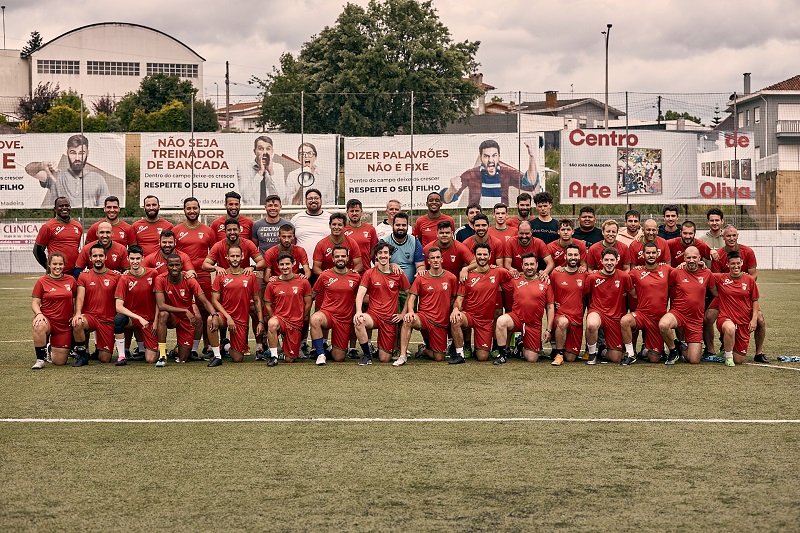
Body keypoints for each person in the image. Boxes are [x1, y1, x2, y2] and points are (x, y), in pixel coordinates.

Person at [706, 224, 766, 362]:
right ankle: (710, 349)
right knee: (708, 317)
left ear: (737, 236)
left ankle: (759, 353)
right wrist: (729, 287)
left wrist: (742, 282)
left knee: (760, 319)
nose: (731, 238)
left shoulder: (748, 251)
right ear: (723, 237)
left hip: (743, 293)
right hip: (725, 293)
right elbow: (716, 277)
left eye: (734, 235)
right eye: (728, 236)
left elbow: (754, 275)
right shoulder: (719, 255)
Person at [394, 247, 457, 366]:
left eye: (438, 257)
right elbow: (412, 297)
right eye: (432, 258)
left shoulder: (451, 278)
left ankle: (423, 350)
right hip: (424, 318)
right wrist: (411, 311)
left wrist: (454, 310)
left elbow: (454, 298)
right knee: (408, 320)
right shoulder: (421, 278)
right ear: (428, 260)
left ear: (442, 259)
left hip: (440, 322)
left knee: (439, 357)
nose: (435, 260)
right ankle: (402, 356)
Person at [450, 243, 513, 363]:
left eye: (485, 254)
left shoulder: (498, 272)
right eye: (479, 254)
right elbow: (459, 299)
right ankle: (459, 354)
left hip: (485, 321)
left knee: (482, 357)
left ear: (490, 256)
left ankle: (479, 348)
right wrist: (456, 309)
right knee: (455, 319)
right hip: (469, 315)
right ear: (474, 256)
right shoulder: (467, 275)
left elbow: (514, 278)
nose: (482, 257)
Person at [154, 255, 219, 367]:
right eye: (171, 265)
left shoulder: (190, 280)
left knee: (183, 358)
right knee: (163, 314)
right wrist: (184, 310)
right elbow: (161, 305)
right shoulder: (160, 279)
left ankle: (175, 351)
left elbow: (204, 301)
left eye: (177, 265)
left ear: (182, 266)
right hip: (172, 317)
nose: (174, 268)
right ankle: (162, 356)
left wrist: (214, 315)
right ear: (166, 266)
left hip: (186, 320)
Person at [353, 241, 410, 365]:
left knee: (384, 359)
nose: (383, 255)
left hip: (389, 319)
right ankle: (367, 356)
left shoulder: (398, 274)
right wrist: (358, 311)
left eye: (385, 253)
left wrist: (403, 314)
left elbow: (410, 294)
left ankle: (380, 349)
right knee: (359, 321)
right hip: (373, 315)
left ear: (390, 256)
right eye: (380, 253)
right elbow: (360, 294)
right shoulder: (369, 273)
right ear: (376, 256)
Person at [659, 246, 718, 365]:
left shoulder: (707, 273)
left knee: (694, 360)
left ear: (699, 258)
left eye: (694, 257)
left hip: (696, 319)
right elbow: (669, 290)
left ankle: (680, 345)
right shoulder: (676, 272)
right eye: (689, 257)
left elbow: (715, 293)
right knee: (663, 325)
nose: (691, 260)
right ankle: (673, 350)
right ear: (684, 258)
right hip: (678, 313)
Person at [442, 138, 540, 207]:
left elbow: (530, 184)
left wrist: (532, 157)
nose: (491, 160)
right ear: (481, 158)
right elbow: (447, 200)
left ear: (499, 157)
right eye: (486, 156)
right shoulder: (470, 174)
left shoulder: (506, 173)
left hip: (500, 220)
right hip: (477, 222)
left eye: (494, 155)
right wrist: (451, 190)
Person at [493, 253, 555, 364]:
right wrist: (494, 268)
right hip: (516, 318)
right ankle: (502, 354)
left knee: (532, 359)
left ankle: (519, 345)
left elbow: (550, 307)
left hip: (533, 324)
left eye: (532, 264)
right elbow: (498, 283)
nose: (529, 267)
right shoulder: (515, 279)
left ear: (537, 265)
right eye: (526, 264)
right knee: (501, 321)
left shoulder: (545, 282)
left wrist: (549, 329)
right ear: (522, 266)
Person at [209, 246, 263, 366]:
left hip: (241, 319)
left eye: (237, 256)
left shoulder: (250, 275)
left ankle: (226, 346)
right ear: (227, 257)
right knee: (211, 319)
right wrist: (228, 317)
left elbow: (257, 299)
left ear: (242, 257)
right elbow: (215, 300)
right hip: (225, 315)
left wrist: (260, 321)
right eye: (232, 256)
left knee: (237, 358)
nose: (235, 258)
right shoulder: (221, 275)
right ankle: (217, 356)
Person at [620, 242, 671, 365]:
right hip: (642, 314)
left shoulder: (666, 269)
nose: (651, 255)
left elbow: (683, 273)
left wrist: (689, 264)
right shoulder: (636, 272)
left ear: (658, 254)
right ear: (643, 255)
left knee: (654, 360)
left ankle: (645, 351)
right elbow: (621, 278)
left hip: (658, 319)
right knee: (625, 321)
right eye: (648, 253)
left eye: (653, 253)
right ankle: (631, 354)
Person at [71, 244, 122, 366]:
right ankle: (83, 355)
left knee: (105, 359)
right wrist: (78, 313)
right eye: (95, 256)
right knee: (78, 322)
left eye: (100, 255)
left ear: (105, 257)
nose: (97, 258)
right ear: (90, 258)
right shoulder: (84, 275)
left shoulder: (115, 276)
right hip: (91, 317)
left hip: (107, 320)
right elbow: (80, 297)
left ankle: (101, 348)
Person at [309, 246, 361, 365]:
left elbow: (361, 296)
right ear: (332, 258)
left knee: (339, 357)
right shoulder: (325, 275)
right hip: (328, 314)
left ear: (348, 258)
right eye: (337, 256)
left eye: (343, 256)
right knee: (315, 319)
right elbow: (313, 293)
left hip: (344, 318)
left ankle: (330, 351)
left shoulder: (356, 277)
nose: (340, 258)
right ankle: (321, 354)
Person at [26, 134, 110, 208]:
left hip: (84, 225)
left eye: (81, 153)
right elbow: (28, 169)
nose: (77, 158)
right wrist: (41, 165)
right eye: (73, 152)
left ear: (87, 153)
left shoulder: (98, 179)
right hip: (60, 224)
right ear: (67, 153)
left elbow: (103, 208)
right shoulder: (56, 176)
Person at [584, 247, 636, 364]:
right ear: (601, 261)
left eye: (612, 260)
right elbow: (586, 295)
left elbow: (633, 294)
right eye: (606, 260)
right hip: (598, 312)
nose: (609, 263)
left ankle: (602, 350)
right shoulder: (592, 277)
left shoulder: (624, 277)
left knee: (615, 358)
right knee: (592, 325)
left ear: (617, 261)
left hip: (616, 317)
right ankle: (592, 354)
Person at [264, 252, 313, 365]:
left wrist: (302, 317)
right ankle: (274, 356)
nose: (284, 267)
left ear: (293, 264)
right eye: (282, 264)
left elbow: (308, 303)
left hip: (295, 321)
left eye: (287, 264)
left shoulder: (303, 281)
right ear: (278, 265)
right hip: (280, 318)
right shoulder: (272, 284)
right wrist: (274, 317)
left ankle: (287, 351)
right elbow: (268, 304)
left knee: (289, 359)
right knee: (272, 324)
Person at [113, 245, 159, 365]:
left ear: (142, 258)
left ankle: (152, 347)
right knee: (118, 319)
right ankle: (122, 356)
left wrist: (156, 321)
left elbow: (159, 299)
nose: (135, 262)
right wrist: (138, 318)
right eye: (132, 259)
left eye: (137, 258)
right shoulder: (124, 278)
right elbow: (118, 306)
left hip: (149, 319)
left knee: (150, 359)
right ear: (128, 259)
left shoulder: (153, 273)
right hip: (132, 319)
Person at [713, 251, 760, 367]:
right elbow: (704, 274)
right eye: (732, 264)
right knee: (730, 328)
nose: (736, 266)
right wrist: (700, 264)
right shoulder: (721, 278)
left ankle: (727, 350)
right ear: (728, 265)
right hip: (725, 318)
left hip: (744, 322)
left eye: (738, 263)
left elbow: (755, 300)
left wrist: (754, 319)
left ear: (742, 263)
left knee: (739, 359)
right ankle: (728, 357)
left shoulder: (749, 280)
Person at [31, 252, 76, 369]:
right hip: (48, 320)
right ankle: (40, 360)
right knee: (39, 324)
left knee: (60, 361)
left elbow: (76, 299)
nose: (58, 267)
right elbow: (35, 302)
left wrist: (76, 313)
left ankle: (50, 348)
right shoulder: (41, 281)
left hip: (64, 324)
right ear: (49, 265)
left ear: (64, 265)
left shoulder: (71, 280)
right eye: (55, 264)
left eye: (60, 264)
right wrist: (39, 314)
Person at [550, 245, 587, 365]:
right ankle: (558, 354)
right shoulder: (556, 273)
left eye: (575, 255)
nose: (573, 257)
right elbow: (550, 292)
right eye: (570, 255)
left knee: (571, 358)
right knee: (562, 322)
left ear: (579, 257)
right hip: (561, 315)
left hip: (577, 319)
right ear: (565, 256)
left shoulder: (584, 274)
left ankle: (565, 350)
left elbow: (587, 295)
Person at [33, 197, 83, 276]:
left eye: (67, 205)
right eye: (61, 206)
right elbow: (37, 251)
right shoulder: (48, 227)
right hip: (56, 274)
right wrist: (48, 267)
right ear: (55, 209)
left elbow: (75, 248)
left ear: (70, 208)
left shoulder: (78, 226)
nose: (64, 208)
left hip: (73, 274)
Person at [237, 135, 286, 206]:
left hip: (271, 212)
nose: (265, 153)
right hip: (252, 212)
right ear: (255, 151)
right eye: (261, 149)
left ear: (272, 151)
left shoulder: (278, 167)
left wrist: (271, 172)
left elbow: (281, 197)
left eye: (268, 149)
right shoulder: (244, 168)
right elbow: (245, 196)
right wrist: (260, 172)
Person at [382, 211, 425, 285]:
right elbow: (377, 265)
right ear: (392, 225)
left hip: (410, 285)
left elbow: (420, 265)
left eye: (404, 225)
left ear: (408, 226)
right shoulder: (384, 241)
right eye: (398, 225)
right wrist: (391, 265)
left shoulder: (415, 241)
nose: (401, 228)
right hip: (389, 285)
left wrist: (420, 271)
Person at [292, 189, 330, 266]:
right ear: (305, 201)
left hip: (325, 265)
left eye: (316, 198)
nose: (313, 200)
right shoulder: (296, 218)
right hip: (302, 266)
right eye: (310, 198)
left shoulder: (330, 218)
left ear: (321, 200)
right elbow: (292, 240)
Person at [344, 199, 378, 267]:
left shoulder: (370, 229)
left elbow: (373, 250)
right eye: (351, 211)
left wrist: (366, 261)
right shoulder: (342, 229)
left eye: (357, 211)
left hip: (365, 270)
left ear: (361, 212)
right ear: (347, 212)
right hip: (347, 272)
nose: (354, 213)